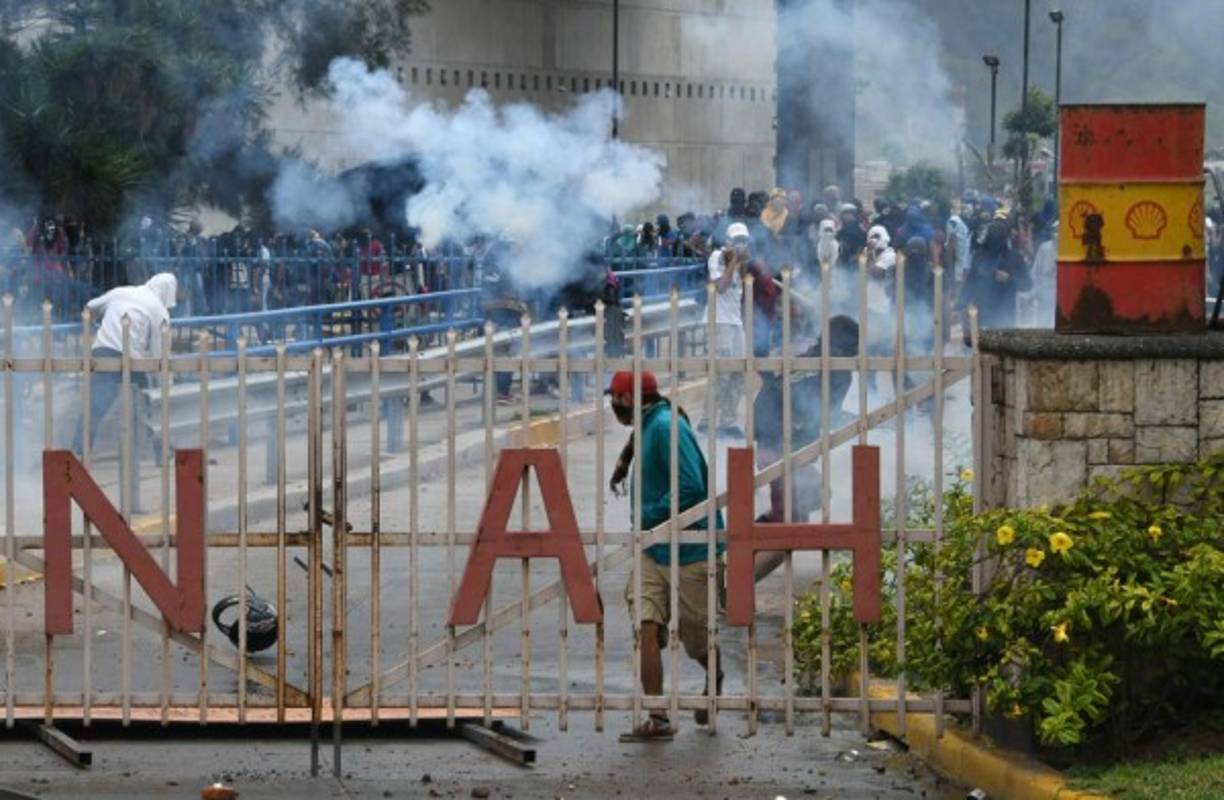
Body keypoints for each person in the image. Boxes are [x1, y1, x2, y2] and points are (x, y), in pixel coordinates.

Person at [606, 369, 723, 740]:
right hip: (653, 549)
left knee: (696, 640)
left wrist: (650, 515)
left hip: (690, 549)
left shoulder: (666, 427)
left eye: (617, 398)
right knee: (646, 625)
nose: (613, 406)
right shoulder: (647, 423)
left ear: (631, 399)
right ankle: (657, 715)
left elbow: (691, 487)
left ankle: (713, 669)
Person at [72, 273, 178, 457]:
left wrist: (94, 325)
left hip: (102, 352)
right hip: (130, 360)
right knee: (145, 402)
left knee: (95, 405)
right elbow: (159, 354)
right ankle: (158, 449)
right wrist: (165, 381)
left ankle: (78, 450)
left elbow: (89, 308)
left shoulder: (121, 292)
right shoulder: (159, 311)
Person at [706, 222, 749, 437]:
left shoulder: (742, 263)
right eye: (737, 240)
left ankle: (728, 421)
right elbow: (720, 287)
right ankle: (707, 421)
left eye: (744, 241)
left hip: (735, 321)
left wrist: (742, 263)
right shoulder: (717, 257)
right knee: (721, 374)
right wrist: (732, 262)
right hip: (719, 321)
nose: (741, 245)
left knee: (739, 372)